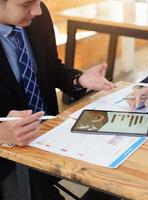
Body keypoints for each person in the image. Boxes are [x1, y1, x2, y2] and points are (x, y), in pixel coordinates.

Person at [0, 0, 116, 199]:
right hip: (7, 158)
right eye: (27, 4)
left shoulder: (38, 13)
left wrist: (79, 80)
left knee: (114, 178)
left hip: (50, 135)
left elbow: (50, 67)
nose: (38, 10)